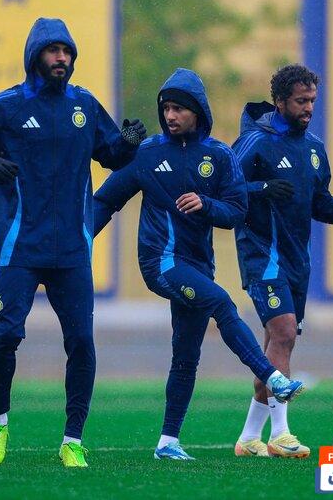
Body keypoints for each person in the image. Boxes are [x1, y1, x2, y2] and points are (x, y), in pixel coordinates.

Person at [0, 18, 146, 468]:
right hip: (21, 247)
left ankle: (72, 440)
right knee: (6, 335)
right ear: (35, 55)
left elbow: (112, 154)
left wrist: (129, 143)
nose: (62, 58)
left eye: (67, 52)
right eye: (54, 51)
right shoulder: (7, 107)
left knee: (81, 342)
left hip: (72, 250)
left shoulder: (84, 105)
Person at [93, 68, 303, 461]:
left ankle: (167, 443)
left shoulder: (220, 155)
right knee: (221, 302)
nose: (170, 115)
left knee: (186, 355)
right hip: (160, 262)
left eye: (179, 109)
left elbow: (236, 211)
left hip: (197, 265)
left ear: (198, 112)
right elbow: (105, 200)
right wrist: (80, 239)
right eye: (166, 108)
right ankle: (273, 376)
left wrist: (205, 204)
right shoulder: (148, 153)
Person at [231, 65, 333, 459]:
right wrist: (261, 187)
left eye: (312, 100)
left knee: (277, 347)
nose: (309, 107)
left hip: (297, 261)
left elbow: (320, 204)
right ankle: (281, 434)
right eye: (300, 101)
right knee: (284, 333)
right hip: (262, 255)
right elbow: (224, 187)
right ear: (279, 102)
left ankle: (248, 438)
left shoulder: (313, 148)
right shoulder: (255, 141)